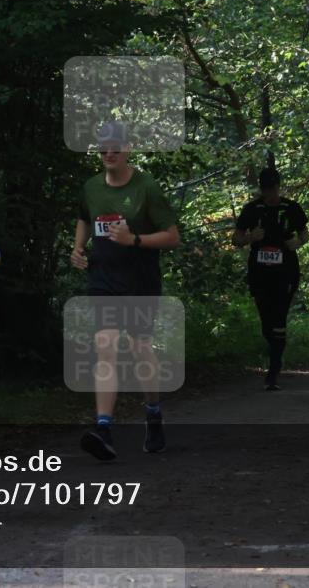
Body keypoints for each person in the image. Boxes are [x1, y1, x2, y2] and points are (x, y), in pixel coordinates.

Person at [70, 121, 180, 461]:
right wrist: (78, 248)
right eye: (103, 147)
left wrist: (134, 239)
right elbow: (84, 218)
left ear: (128, 148)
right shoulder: (91, 187)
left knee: (139, 348)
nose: (109, 152)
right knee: (105, 345)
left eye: (115, 147)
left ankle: (153, 413)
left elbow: (172, 236)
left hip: (139, 281)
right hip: (103, 279)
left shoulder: (147, 187)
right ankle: (103, 429)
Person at [232, 167, 309, 390]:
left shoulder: (291, 208)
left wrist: (298, 242)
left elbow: (304, 234)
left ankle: (274, 370)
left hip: (285, 272)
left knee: (279, 318)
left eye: (272, 188)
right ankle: (275, 351)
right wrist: (250, 237)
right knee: (267, 322)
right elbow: (236, 239)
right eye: (265, 189)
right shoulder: (252, 209)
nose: (269, 193)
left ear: (278, 186)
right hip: (260, 273)